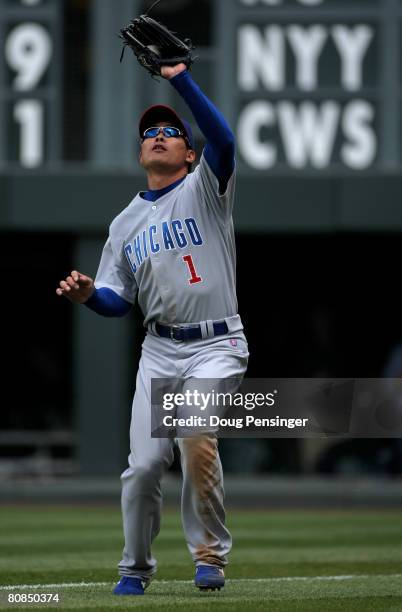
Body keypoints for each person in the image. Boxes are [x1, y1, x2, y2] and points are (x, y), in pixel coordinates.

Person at [56, 63, 249, 595]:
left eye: (171, 133)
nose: (159, 136)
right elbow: (120, 301)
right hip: (159, 350)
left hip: (217, 343)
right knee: (142, 467)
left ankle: (209, 555)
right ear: (140, 154)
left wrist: (181, 78)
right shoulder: (123, 224)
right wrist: (90, 295)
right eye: (150, 134)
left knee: (193, 435)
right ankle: (134, 569)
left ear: (189, 153)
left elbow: (225, 139)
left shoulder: (207, 189)